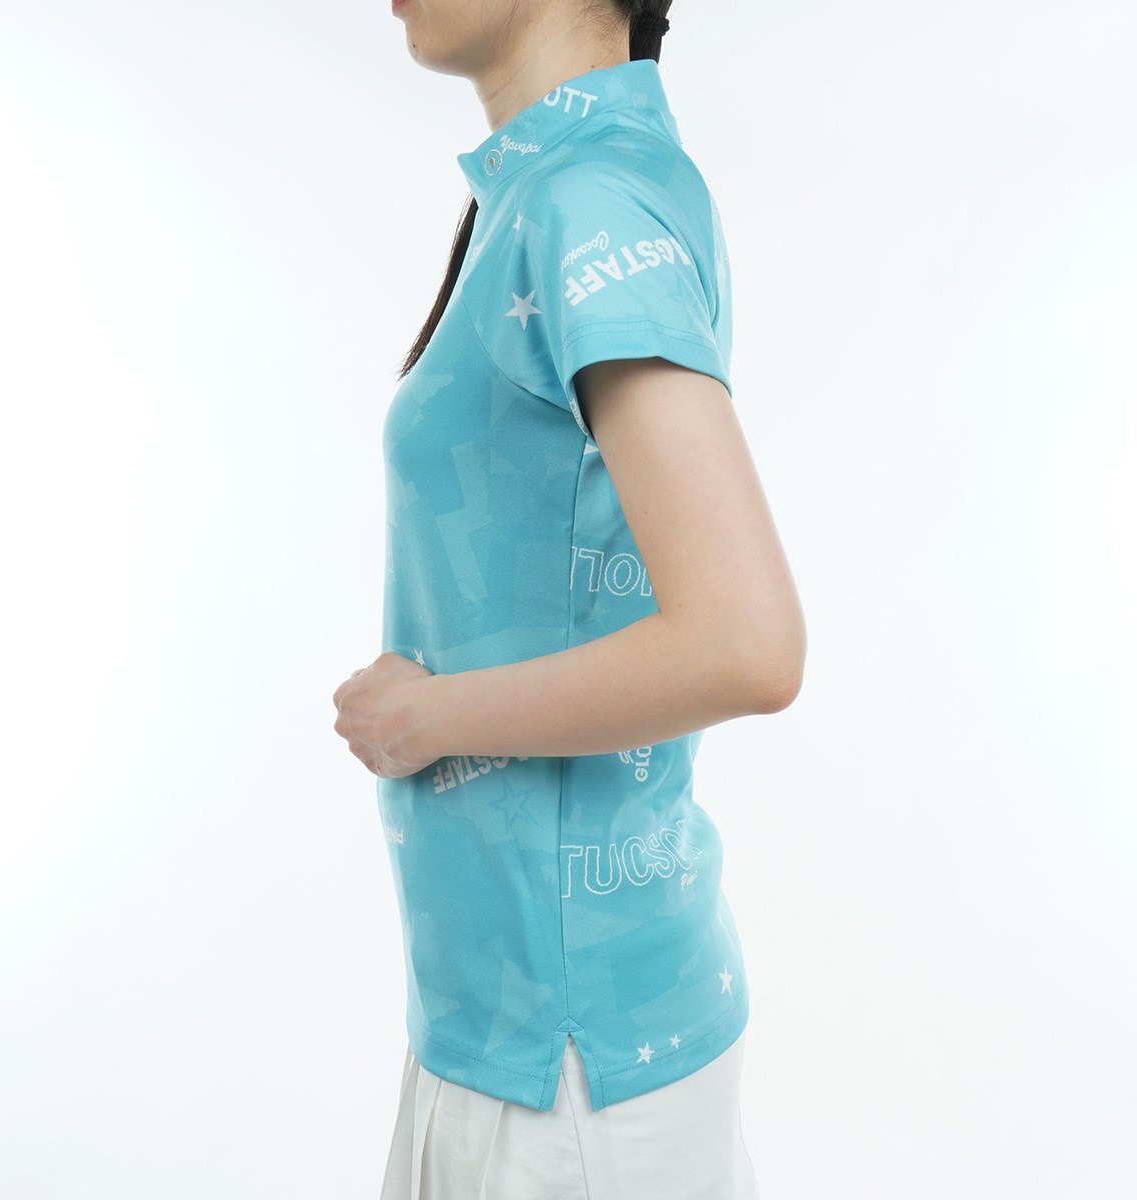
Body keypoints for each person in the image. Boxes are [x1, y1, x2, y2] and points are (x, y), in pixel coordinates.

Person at [331, 1, 807, 1195]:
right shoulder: (560, 184)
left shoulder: (586, 200)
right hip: (520, 1032)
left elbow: (747, 644)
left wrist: (424, 720)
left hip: (567, 1076)